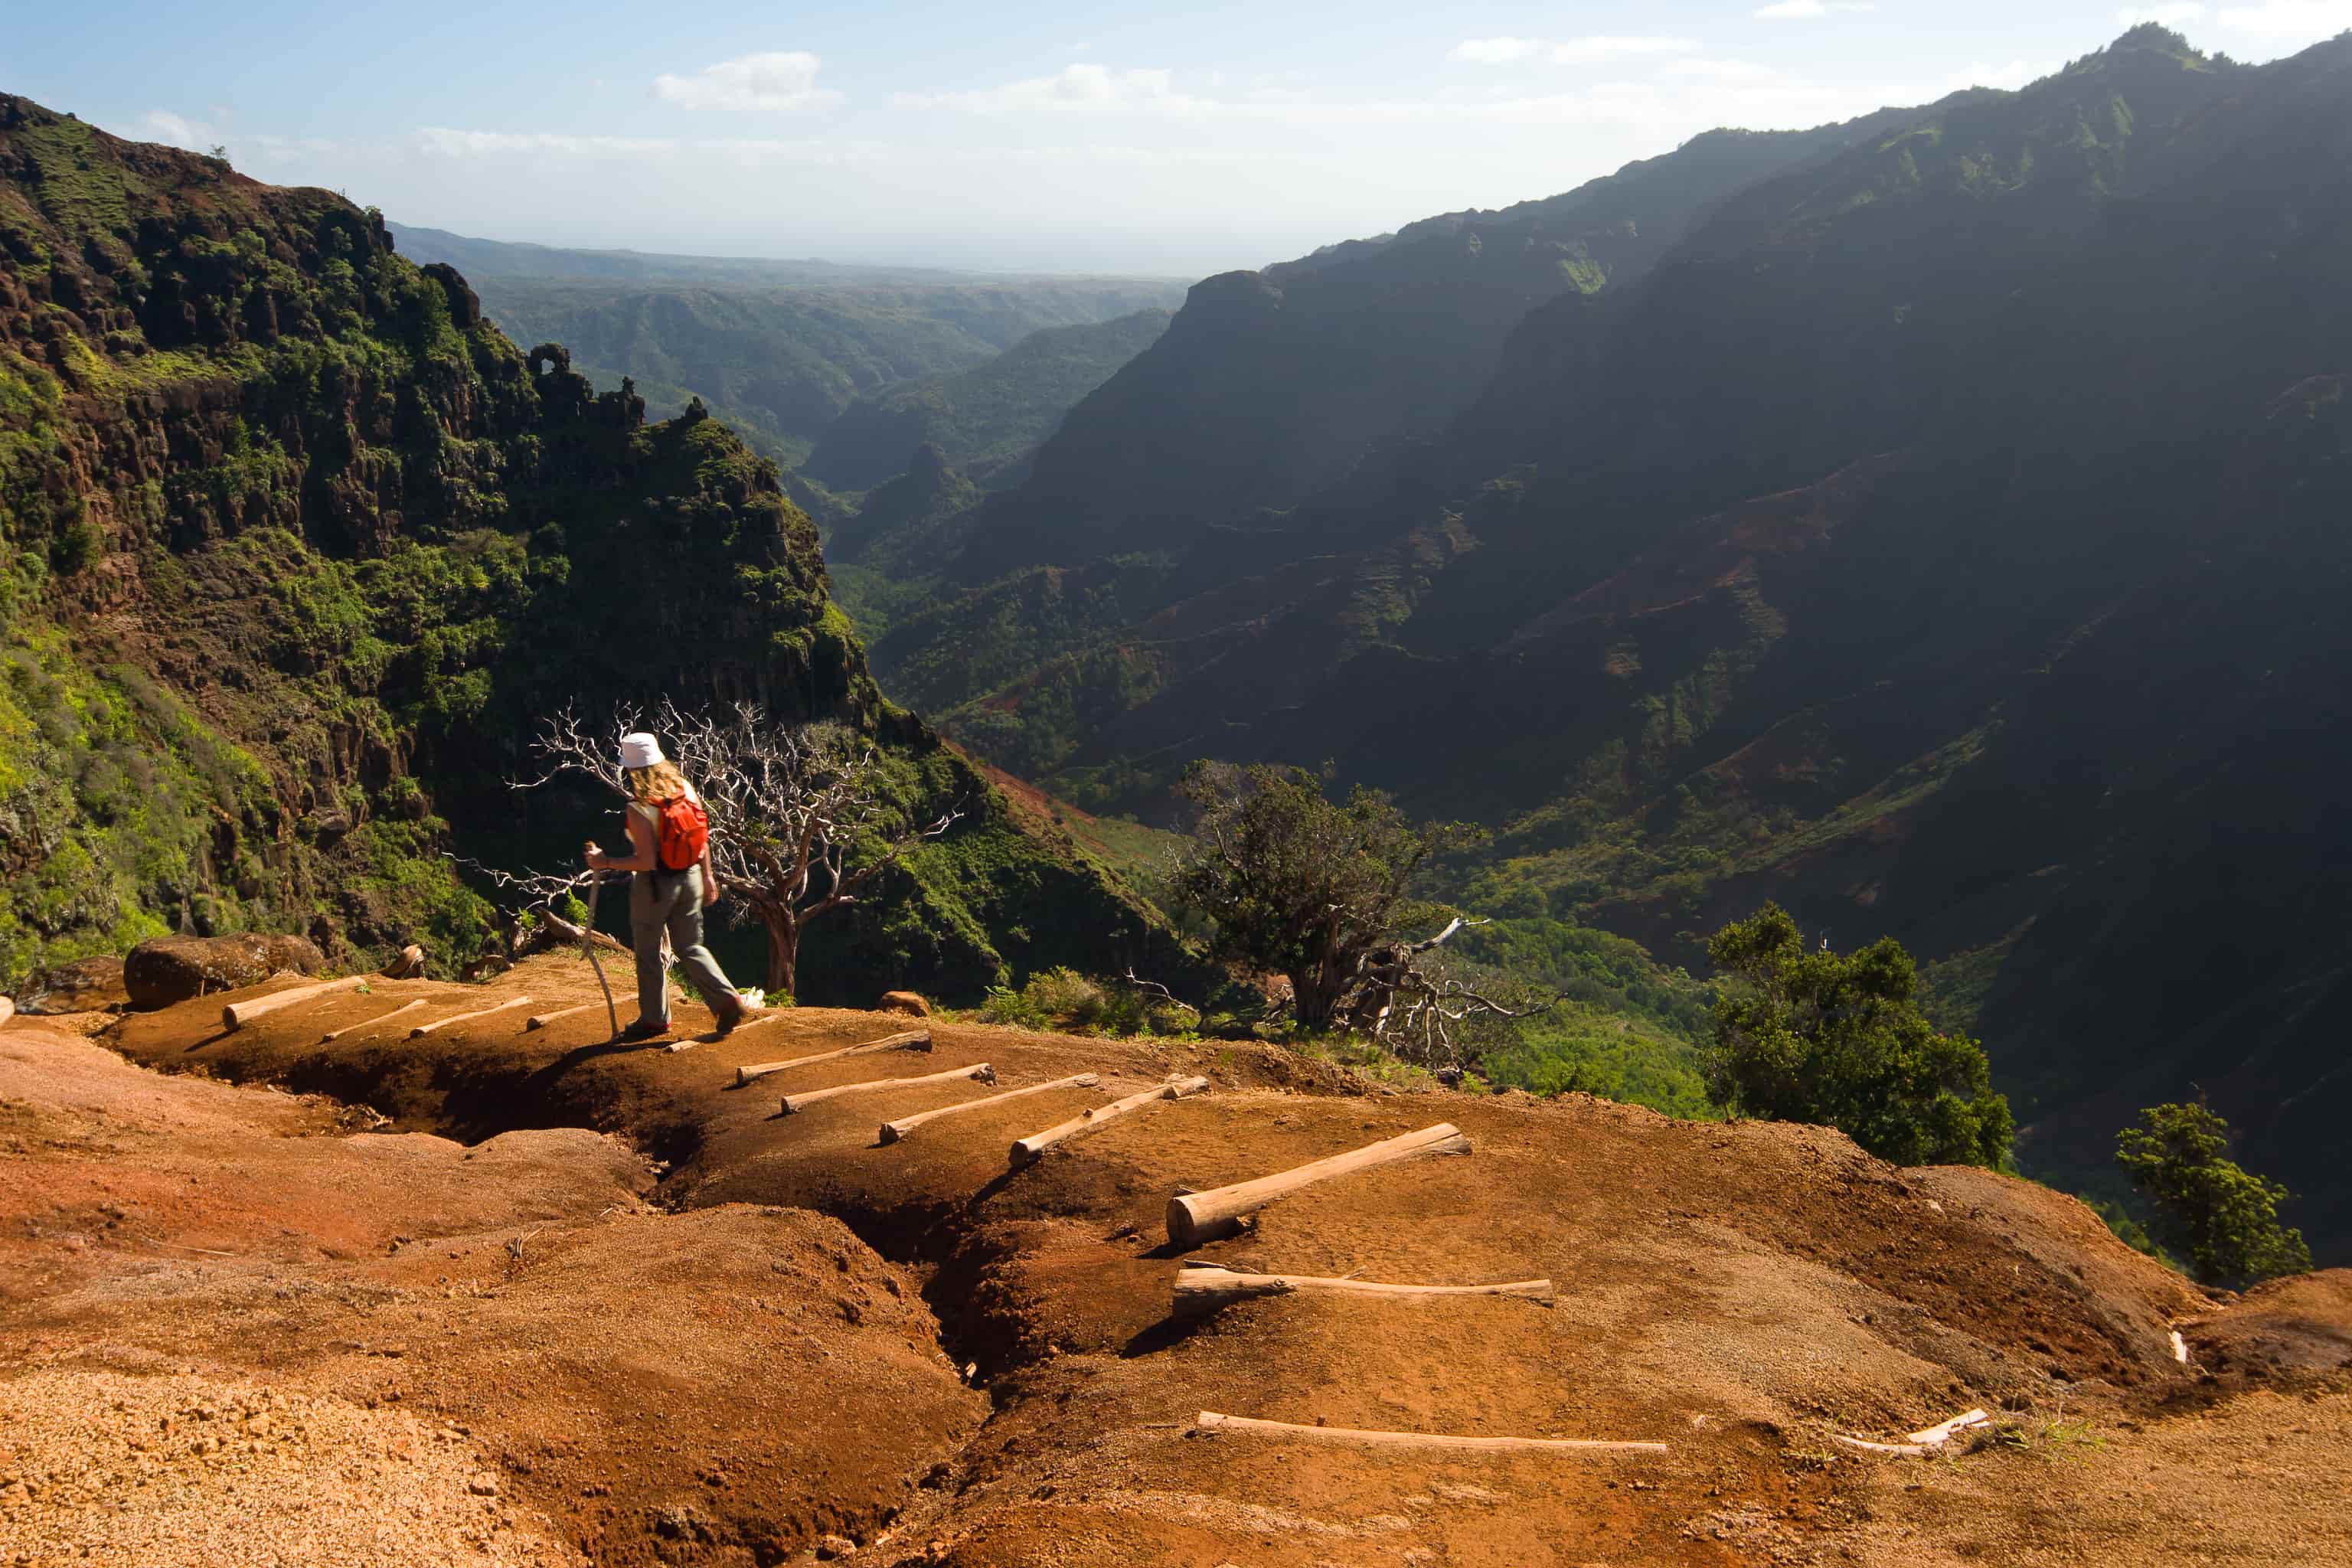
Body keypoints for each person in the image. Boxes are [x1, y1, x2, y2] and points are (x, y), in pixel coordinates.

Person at [583, 732, 755, 1041]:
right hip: (690, 878)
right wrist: (708, 876)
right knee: (691, 946)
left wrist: (604, 860)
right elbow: (702, 838)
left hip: (655, 887)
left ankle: (655, 1020)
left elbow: (646, 861)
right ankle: (727, 1000)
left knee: (649, 952)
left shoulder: (639, 807)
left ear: (633, 769)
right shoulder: (684, 790)